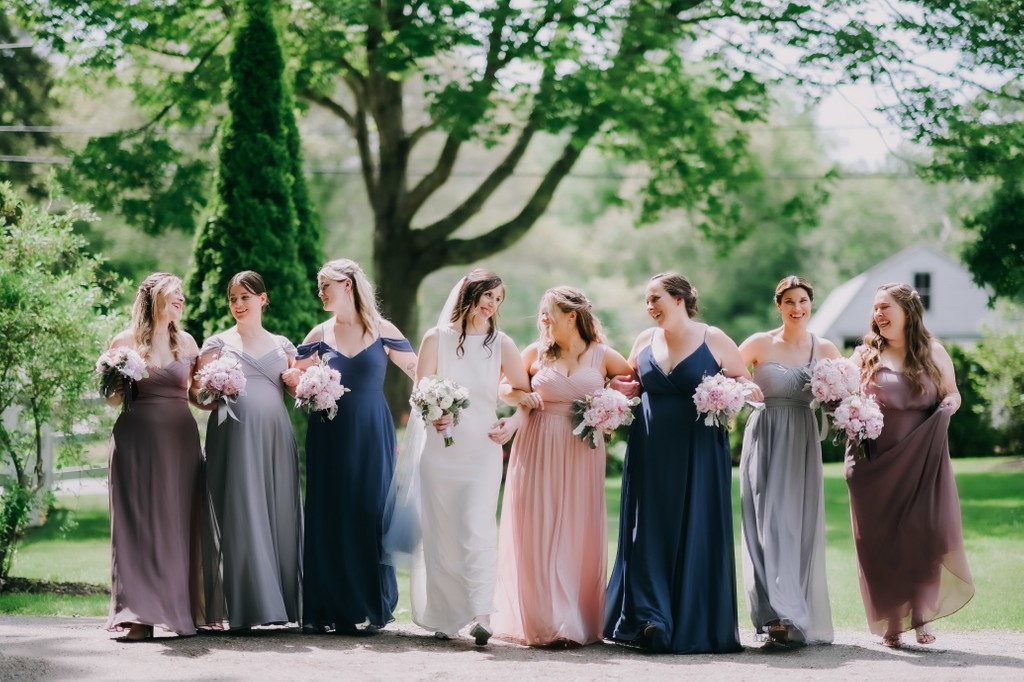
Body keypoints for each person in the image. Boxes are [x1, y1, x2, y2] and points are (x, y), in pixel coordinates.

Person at [604, 272, 762, 654]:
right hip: (650, 450)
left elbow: (747, 385)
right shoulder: (644, 339)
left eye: (655, 297)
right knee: (649, 530)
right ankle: (649, 618)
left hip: (699, 452)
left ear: (679, 299)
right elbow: (629, 383)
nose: (650, 306)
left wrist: (730, 392)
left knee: (694, 527)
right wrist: (616, 390)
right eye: (646, 299)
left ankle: (690, 618)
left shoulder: (715, 338)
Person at [492, 286, 634, 648]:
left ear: (571, 316)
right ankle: (544, 622)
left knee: (576, 529)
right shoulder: (535, 353)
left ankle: (572, 621)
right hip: (538, 444)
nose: (542, 319)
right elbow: (504, 388)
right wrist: (519, 395)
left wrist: (612, 400)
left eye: (548, 312)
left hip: (582, 451)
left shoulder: (603, 354)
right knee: (537, 528)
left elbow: (633, 383)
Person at [282, 258, 417, 634]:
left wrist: (438, 398)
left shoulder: (382, 329)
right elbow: (294, 377)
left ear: (349, 285)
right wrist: (300, 383)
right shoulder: (317, 334)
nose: (321, 292)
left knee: (369, 509)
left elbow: (418, 371)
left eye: (327, 285)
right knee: (331, 512)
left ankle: (369, 604)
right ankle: (330, 606)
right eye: (319, 285)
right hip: (329, 433)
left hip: (373, 431)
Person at [405, 268, 532, 645]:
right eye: (487, 296)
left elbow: (524, 398)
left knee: (477, 525)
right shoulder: (436, 338)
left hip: (483, 450)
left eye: (498, 299)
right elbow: (418, 395)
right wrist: (434, 414)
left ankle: (483, 614)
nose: (492, 305)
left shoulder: (503, 344)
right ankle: (447, 615)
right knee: (442, 532)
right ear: (470, 295)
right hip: (440, 453)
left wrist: (513, 424)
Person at [845, 282, 974, 648]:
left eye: (885, 307)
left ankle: (920, 617)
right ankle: (891, 621)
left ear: (907, 311)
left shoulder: (933, 352)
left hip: (922, 460)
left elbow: (952, 392)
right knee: (879, 542)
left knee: (923, 534)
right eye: (875, 308)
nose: (878, 315)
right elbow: (843, 399)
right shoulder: (864, 356)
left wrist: (950, 405)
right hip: (873, 466)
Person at [104, 272, 219, 640]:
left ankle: (177, 609)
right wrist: (116, 380)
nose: (181, 300)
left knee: (176, 523)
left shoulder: (186, 342)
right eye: (175, 294)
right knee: (136, 526)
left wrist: (220, 394)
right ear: (155, 298)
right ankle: (139, 617)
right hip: (135, 441)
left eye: (183, 295)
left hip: (180, 442)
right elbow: (111, 400)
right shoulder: (124, 341)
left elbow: (194, 396)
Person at [191, 271, 302, 630]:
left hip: (274, 437)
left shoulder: (284, 345)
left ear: (263, 299)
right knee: (240, 513)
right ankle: (245, 607)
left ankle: (280, 603)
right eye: (233, 299)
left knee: (276, 513)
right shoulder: (217, 345)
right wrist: (214, 389)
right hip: (233, 436)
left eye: (245, 298)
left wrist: (299, 383)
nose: (238, 304)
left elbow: (299, 392)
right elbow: (198, 397)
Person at [737, 276, 841, 647]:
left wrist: (842, 405)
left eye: (803, 301)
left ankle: (792, 614)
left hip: (802, 438)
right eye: (790, 302)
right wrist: (744, 386)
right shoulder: (760, 343)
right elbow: (726, 375)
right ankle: (771, 614)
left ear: (810, 304)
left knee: (796, 525)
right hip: (765, 437)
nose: (798, 308)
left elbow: (844, 393)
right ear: (778, 305)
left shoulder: (825, 348)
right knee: (766, 524)